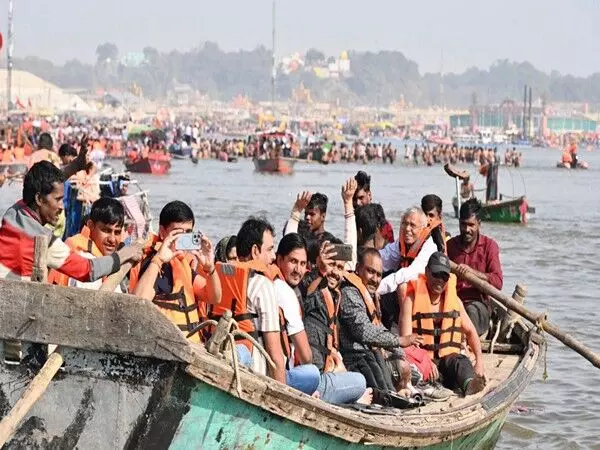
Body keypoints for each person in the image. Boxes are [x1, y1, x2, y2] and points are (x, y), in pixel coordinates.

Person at [0, 161, 141, 281]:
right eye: (58, 199)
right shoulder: (43, 241)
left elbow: (46, 186)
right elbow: (88, 270)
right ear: (39, 199)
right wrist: (125, 253)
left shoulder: (14, 212)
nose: (62, 206)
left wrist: (76, 165)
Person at [133, 201, 221, 344]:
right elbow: (138, 302)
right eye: (179, 233)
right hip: (169, 347)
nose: (184, 238)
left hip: (190, 346)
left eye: (188, 233)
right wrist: (158, 260)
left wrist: (210, 269)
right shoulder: (155, 264)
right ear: (162, 232)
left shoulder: (182, 263)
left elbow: (214, 298)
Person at [210, 217, 286, 384]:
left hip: (222, 357)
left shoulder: (216, 280)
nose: (273, 256)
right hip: (254, 375)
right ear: (255, 251)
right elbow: (275, 355)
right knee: (312, 374)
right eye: (270, 249)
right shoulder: (262, 285)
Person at [399, 252, 486, 396]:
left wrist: (480, 363)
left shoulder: (455, 302)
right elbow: (405, 341)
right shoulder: (411, 299)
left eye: (444, 276)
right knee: (409, 366)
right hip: (423, 365)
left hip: (448, 364)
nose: (440, 280)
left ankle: (470, 384)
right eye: (436, 274)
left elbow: (471, 332)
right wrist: (426, 360)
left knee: (460, 361)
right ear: (427, 272)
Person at [339, 248, 418, 394]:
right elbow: (364, 331)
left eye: (379, 275)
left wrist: (400, 353)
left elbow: (379, 327)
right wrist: (399, 341)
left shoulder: (369, 296)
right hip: (353, 358)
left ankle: (399, 392)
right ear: (358, 269)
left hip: (370, 355)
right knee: (383, 385)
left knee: (407, 368)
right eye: (370, 271)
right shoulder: (349, 293)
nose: (375, 279)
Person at [274, 233, 325, 395]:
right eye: (293, 262)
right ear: (279, 259)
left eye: (303, 264)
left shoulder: (268, 282)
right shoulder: (284, 291)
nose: (298, 270)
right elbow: (306, 357)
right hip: (283, 378)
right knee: (357, 382)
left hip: (278, 372)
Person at [446, 199, 503, 337]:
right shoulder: (450, 246)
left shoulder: (490, 246)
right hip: (453, 301)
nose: (467, 230)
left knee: (471, 311)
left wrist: (472, 273)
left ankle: (466, 346)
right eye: (463, 225)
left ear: (479, 224)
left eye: (471, 225)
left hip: (478, 305)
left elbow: (498, 282)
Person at [48, 197, 127, 291]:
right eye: (106, 230)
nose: (112, 239)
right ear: (91, 226)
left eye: (117, 232)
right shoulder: (87, 259)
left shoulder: (93, 254)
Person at [377, 207, 439, 295]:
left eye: (412, 225)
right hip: (404, 288)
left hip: (423, 294)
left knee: (402, 286)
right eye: (405, 224)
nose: (407, 229)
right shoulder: (402, 242)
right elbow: (385, 257)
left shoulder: (429, 248)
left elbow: (410, 273)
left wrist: (378, 288)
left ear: (423, 228)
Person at [353, 171, 394, 243]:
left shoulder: (381, 222)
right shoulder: (351, 219)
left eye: (361, 198)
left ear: (369, 195)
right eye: (354, 199)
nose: (358, 203)